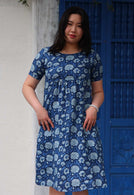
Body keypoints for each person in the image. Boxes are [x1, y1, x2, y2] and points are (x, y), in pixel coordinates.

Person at [22, 6, 107, 195]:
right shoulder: (46, 55)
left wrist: (94, 107)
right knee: (56, 183)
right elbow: (27, 86)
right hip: (54, 126)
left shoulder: (91, 57)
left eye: (79, 25)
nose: (73, 30)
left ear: (84, 30)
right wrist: (39, 109)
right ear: (63, 26)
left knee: (81, 181)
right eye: (69, 24)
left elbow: (99, 91)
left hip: (82, 126)